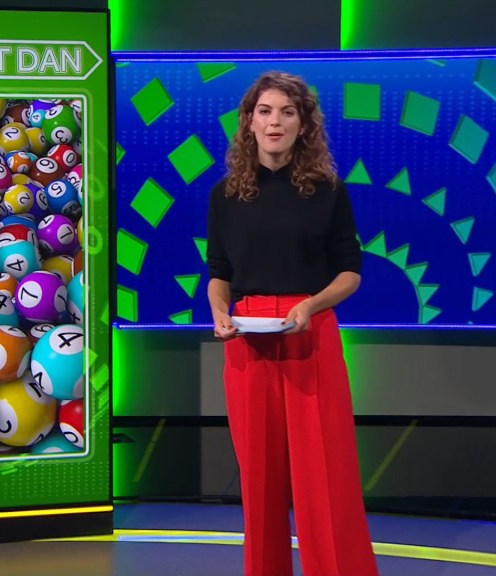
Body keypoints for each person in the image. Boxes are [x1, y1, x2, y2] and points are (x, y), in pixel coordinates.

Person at [205, 71, 379, 576]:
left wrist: (313, 305)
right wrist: (219, 311)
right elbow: (219, 272)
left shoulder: (328, 191)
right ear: (249, 122)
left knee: (323, 473)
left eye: (287, 112)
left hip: (310, 332)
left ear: (304, 124)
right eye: (264, 111)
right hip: (246, 337)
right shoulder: (225, 195)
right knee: (258, 478)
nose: (274, 122)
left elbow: (350, 271)